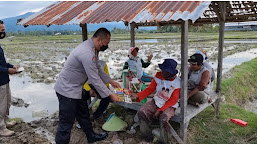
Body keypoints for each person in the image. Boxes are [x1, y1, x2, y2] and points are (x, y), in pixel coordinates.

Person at [54, 28, 121, 144]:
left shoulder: (92, 49)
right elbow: (94, 78)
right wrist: (110, 94)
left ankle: (91, 136)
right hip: (67, 90)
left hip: (76, 89)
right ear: (99, 40)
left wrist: (110, 81)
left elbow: (98, 69)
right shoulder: (87, 53)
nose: (106, 46)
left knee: (83, 113)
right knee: (66, 123)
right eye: (106, 43)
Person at [131, 59, 181, 143]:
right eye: (162, 70)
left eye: (165, 71)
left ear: (170, 72)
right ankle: (146, 137)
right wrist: (138, 96)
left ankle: (163, 141)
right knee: (141, 112)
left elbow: (173, 100)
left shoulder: (177, 82)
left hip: (170, 105)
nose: (162, 72)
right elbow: (150, 89)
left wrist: (160, 110)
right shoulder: (158, 76)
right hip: (156, 101)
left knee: (163, 118)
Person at [0, 20, 18, 137]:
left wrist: (11, 67)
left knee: (7, 103)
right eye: (1, 30)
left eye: (3, 30)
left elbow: (2, 62)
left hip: (4, 79)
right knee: (0, 105)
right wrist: (8, 70)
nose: (3, 33)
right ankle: (1, 128)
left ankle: (5, 122)